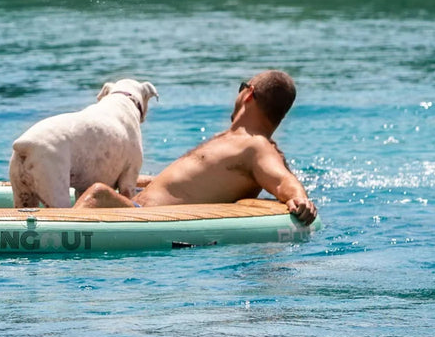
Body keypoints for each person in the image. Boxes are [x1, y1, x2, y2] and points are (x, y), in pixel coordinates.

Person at [73, 70, 318, 224]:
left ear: (248, 94)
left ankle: (47, 234)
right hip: (136, 206)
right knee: (94, 182)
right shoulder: (230, 140)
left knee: (98, 193)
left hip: (147, 218)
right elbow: (181, 185)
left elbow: (282, 180)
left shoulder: (257, 146)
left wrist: (300, 199)